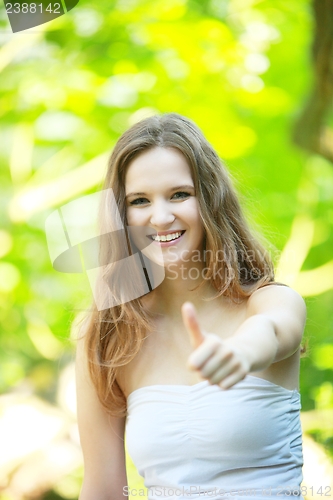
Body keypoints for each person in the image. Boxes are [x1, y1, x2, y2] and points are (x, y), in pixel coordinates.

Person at [75, 113, 306, 500]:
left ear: (210, 199)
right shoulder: (106, 337)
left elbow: (272, 330)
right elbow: (102, 490)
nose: (161, 216)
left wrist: (240, 353)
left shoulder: (269, 302)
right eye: (140, 201)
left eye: (180, 194)